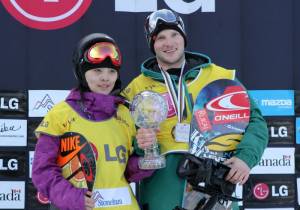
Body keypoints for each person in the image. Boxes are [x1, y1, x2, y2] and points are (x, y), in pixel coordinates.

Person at [121, 9, 269, 210]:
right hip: (162, 193)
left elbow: (255, 121)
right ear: (152, 44)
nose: (169, 43)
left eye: (174, 34)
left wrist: (245, 159)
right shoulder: (136, 89)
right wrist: (141, 146)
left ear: (183, 37)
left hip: (213, 185)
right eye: (161, 38)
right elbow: (122, 144)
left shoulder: (219, 77)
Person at [32, 33, 151, 210]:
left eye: (112, 71)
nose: (105, 78)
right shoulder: (60, 115)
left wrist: (146, 161)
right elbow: (42, 171)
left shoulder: (125, 114)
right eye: (97, 71)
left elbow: (126, 171)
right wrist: (73, 199)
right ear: (82, 72)